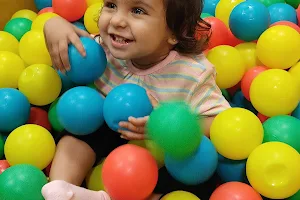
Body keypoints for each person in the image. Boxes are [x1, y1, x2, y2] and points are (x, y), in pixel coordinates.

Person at [43, 0, 231, 199]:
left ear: (175, 32)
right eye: (111, 5)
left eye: (138, 10)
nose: (117, 21)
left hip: (158, 151)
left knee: (195, 167)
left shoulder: (192, 74)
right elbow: (66, 38)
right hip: (112, 129)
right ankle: (61, 187)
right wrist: (53, 25)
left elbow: (218, 121)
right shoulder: (102, 49)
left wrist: (165, 128)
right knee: (81, 122)